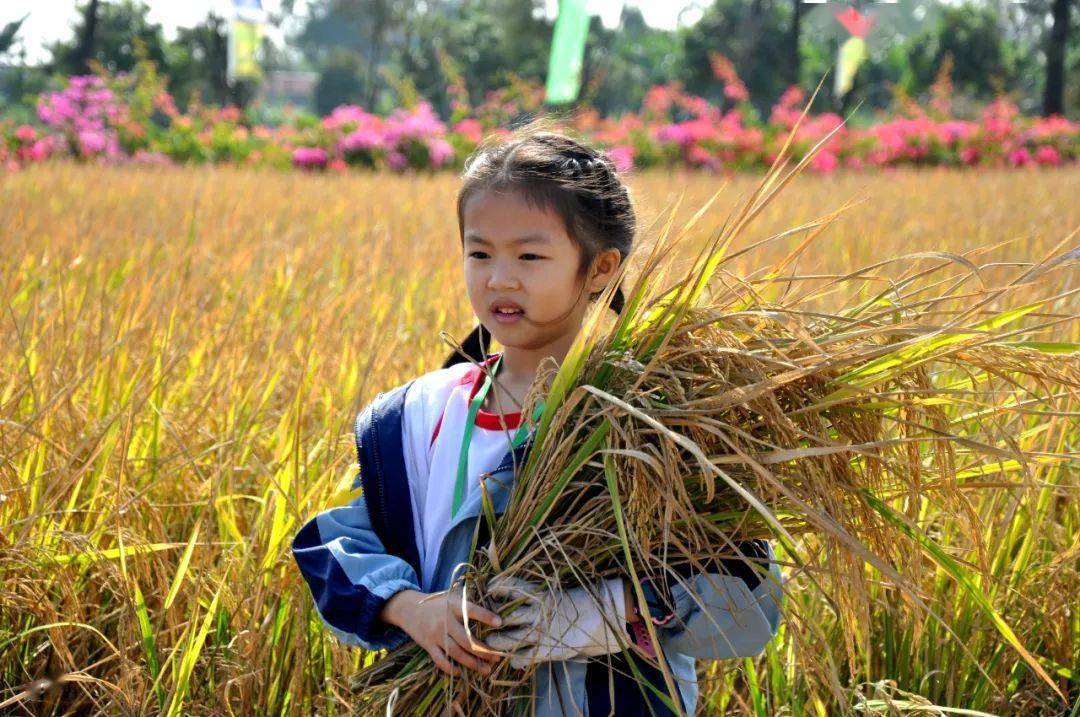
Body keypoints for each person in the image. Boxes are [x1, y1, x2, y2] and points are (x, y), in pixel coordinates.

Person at [291, 122, 783, 716]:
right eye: (479, 253)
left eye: (529, 255)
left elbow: (750, 599)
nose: (499, 277)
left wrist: (597, 612)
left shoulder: (658, 417)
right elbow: (337, 543)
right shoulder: (419, 418)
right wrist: (411, 608)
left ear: (600, 268)